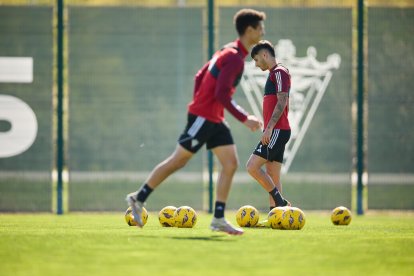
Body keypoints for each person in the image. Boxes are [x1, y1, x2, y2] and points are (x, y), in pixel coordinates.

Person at [126, 9, 266, 235]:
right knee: (178, 161)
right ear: (249, 31)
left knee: (230, 164)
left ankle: (218, 218)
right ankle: (137, 198)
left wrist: (199, 103)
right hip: (204, 117)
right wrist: (244, 118)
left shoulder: (226, 52)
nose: (262, 33)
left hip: (213, 118)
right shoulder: (234, 59)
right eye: (260, 28)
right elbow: (221, 95)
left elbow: (199, 77)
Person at [246, 40, 291, 214]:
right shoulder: (273, 74)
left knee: (252, 166)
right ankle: (276, 215)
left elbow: (282, 100)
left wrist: (270, 127)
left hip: (277, 130)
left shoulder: (279, 72)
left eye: (257, 60)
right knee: (272, 175)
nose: (256, 64)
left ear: (265, 55)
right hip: (278, 130)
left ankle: (280, 202)